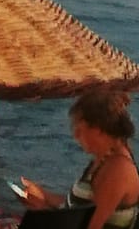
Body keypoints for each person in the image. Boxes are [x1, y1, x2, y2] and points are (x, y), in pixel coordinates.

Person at [21, 90, 139, 229]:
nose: (76, 135)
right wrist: (43, 195)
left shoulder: (118, 171)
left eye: (79, 129)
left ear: (98, 129)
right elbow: (76, 207)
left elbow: (88, 225)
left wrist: (42, 210)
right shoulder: (103, 160)